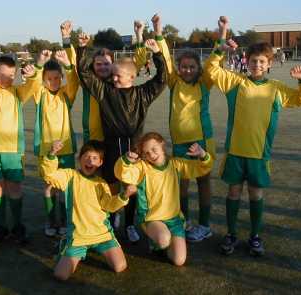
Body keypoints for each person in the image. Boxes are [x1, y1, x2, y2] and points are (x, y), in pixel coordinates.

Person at [205, 16, 301, 256]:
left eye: (262, 61)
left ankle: (255, 236)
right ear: (246, 61)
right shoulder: (235, 82)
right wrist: (219, 46)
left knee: (255, 194)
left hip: (259, 154)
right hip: (235, 151)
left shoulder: (276, 89)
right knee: (233, 193)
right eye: (253, 61)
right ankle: (231, 234)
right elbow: (212, 70)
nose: (257, 65)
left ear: (269, 64)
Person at [76, 31, 167, 243]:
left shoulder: (142, 93)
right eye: (113, 75)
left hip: (134, 150)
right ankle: (111, 217)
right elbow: (84, 72)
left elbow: (162, 79)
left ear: (131, 77)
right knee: (110, 185)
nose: (113, 78)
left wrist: (158, 55)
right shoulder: (105, 91)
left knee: (131, 187)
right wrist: (83, 48)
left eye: (118, 75)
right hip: (112, 148)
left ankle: (129, 225)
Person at [61, 20, 147, 241]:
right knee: (103, 183)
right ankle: (103, 218)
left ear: (113, 66)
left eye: (106, 64)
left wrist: (139, 35)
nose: (102, 67)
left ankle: (126, 222)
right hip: (95, 139)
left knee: (127, 181)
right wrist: (69, 40)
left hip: (116, 140)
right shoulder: (88, 81)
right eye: (98, 64)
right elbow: (76, 65)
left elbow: (137, 62)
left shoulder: (117, 84)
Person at [151, 14, 215, 242]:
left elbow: (214, 64)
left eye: (192, 67)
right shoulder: (174, 81)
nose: (187, 70)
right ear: (178, 69)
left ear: (198, 68)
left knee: (203, 181)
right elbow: (166, 59)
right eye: (184, 67)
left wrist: (222, 38)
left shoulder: (204, 83)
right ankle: (184, 221)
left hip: (201, 141)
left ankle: (205, 225)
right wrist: (158, 31)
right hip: (179, 142)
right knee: (182, 184)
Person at [40, 140, 137, 280]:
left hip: (102, 235)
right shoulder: (69, 176)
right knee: (60, 275)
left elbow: (109, 206)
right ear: (79, 159)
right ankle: (66, 244)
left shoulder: (101, 183)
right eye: (86, 157)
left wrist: (124, 195)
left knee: (120, 266)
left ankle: (95, 248)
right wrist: (52, 154)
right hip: (78, 237)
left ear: (100, 163)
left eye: (94, 158)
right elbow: (48, 175)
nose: (90, 161)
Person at [114, 132, 213, 265]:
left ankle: (164, 246)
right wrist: (126, 160)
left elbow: (202, 168)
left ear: (162, 145)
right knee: (163, 239)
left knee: (179, 260)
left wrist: (203, 155)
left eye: (154, 149)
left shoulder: (176, 164)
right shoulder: (142, 168)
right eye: (147, 153)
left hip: (174, 219)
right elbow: (122, 173)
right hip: (153, 218)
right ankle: (157, 242)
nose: (152, 155)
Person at [0, 55, 39, 247]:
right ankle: (1, 226)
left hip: (13, 149)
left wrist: (33, 75)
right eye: (6, 74)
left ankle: (17, 226)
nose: (10, 78)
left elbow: (32, 87)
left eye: (13, 74)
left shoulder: (17, 92)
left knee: (14, 187)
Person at [33, 48, 79, 237]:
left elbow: (74, 80)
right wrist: (40, 62)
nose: (53, 82)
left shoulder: (66, 94)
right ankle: (52, 220)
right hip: (46, 149)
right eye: (49, 79)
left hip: (66, 148)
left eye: (57, 78)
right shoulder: (40, 94)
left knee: (66, 186)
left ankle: (66, 221)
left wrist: (67, 64)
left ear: (61, 77)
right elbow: (33, 83)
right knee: (50, 186)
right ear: (44, 79)